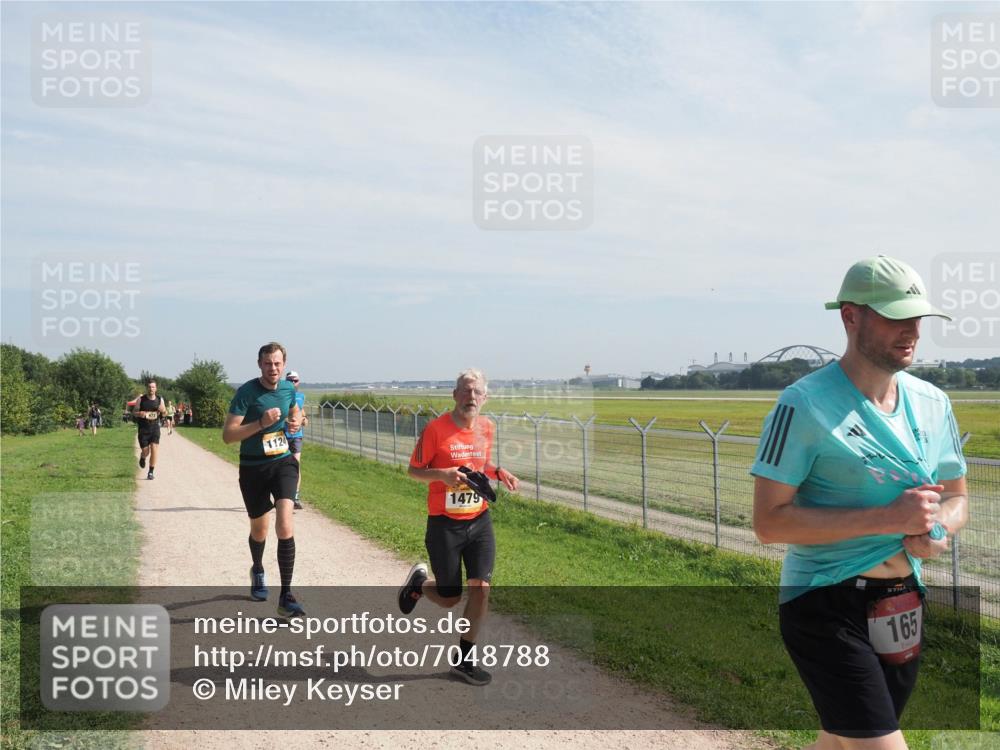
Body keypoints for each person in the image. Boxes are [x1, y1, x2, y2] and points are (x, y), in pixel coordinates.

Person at [752, 255, 969, 749]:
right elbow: (768, 523)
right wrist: (889, 518)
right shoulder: (802, 404)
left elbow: (957, 498)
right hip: (824, 600)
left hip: (902, 601)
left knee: (838, 742)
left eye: (918, 318)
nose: (912, 331)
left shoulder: (934, 403)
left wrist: (936, 531)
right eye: (897, 317)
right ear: (851, 316)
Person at [398, 369, 519, 685]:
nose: (471, 397)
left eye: (477, 392)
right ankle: (420, 584)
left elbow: (480, 466)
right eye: (465, 391)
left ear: (485, 398)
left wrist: (498, 471)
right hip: (444, 525)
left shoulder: (487, 427)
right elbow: (413, 470)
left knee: (481, 588)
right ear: (455, 395)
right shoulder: (435, 430)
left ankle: (464, 661)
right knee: (450, 597)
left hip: (479, 520)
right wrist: (442, 475)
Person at [223, 342, 305, 618]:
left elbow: (295, 410)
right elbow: (228, 435)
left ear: (284, 364)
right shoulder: (246, 393)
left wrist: (295, 421)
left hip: (282, 461)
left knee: (285, 522)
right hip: (253, 467)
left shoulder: (288, 389)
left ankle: (286, 596)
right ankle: (257, 568)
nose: (273, 368)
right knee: (260, 529)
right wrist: (260, 423)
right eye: (268, 363)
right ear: (259, 364)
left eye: (277, 363)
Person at [284, 371, 309, 510]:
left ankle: (295, 497)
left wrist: (304, 419)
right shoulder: (281, 395)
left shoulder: (301, 396)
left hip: (296, 436)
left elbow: (302, 412)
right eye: (290, 380)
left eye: (295, 380)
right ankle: (279, 496)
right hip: (282, 435)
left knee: (295, 466)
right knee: (279, 466)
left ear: (299, 382)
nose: (293, 383)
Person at [132, 380, 167, 480]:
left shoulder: (160, 400)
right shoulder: (141, 399)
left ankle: (151, 472)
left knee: (154, 448)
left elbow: (165, 413)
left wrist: (163, 411)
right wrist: (140, 414)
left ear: (156, 388)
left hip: (155, 427)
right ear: (147, 388)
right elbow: (134, 412)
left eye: (153, 387)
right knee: (146, 451)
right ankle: (143, 457)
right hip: (143, 429)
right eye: (149, 387)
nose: (151, 389)